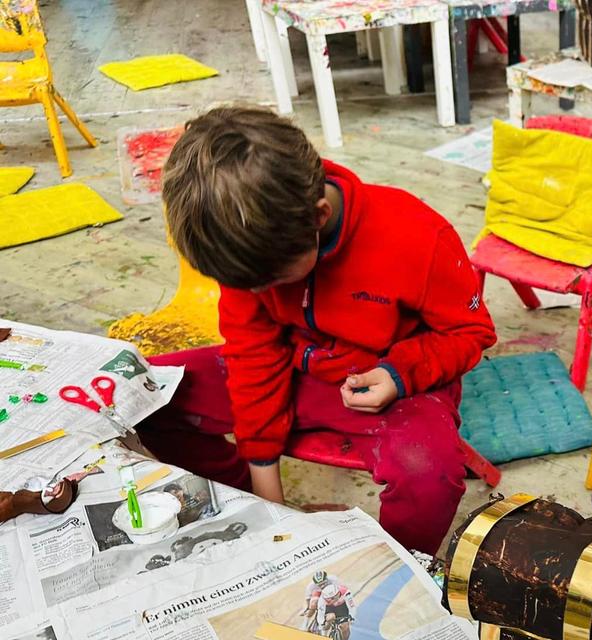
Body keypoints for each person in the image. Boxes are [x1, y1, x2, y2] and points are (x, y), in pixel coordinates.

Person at [137, 106, 496, 555]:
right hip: (289, 372)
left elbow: (469, 333)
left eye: (271, 283)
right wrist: (269, 502)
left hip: (385, 386)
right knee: (145, 394)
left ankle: (395, 563)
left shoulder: (418, 237)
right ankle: (237, 503)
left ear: (319, 216)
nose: (259, 292)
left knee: (429, 470)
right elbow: (252, 355)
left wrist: (399, 373)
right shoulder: (246, 248)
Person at [306, 570, 354, 640]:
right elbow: (309, 600)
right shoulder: (312, 587)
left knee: (345, 627)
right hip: (322, 596)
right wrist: (310, 609)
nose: (322, 585)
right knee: (315, 606)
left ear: (327, 579)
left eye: (323, 583)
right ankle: (308, 625)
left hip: (334, 595)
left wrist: (351, 616)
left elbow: (345, 594)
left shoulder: (334, 581)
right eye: (319, 584)